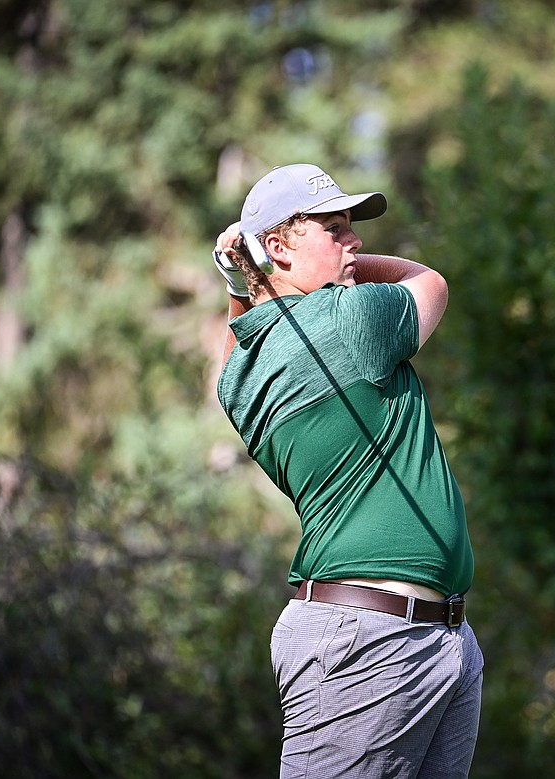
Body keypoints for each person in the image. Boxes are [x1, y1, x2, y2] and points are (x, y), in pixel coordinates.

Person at [211, 163, 482, 778]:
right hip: (371, 641)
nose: (354, 242)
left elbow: (239, 341)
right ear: (276, 247)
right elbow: (429, 280)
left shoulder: (238, 382)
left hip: (424, 638)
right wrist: (351, 269)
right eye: (335, 229)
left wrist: (242, 279)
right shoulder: (349, 319)